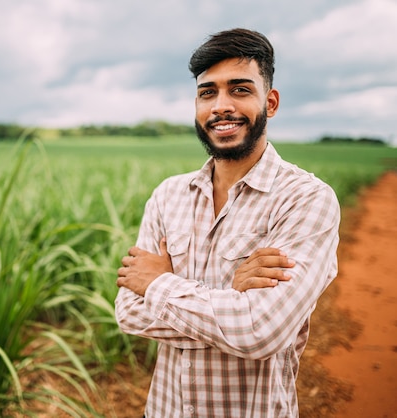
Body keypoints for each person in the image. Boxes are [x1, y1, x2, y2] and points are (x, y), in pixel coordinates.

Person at [114, 28, 340, 418]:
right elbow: (128, 312)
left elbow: (260, 331)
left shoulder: (306, 199)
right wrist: (231, 299)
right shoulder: (168, 196)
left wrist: (157, 284)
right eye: (207, 92)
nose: (221, 105)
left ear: (270, 102)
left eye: (239, 90)